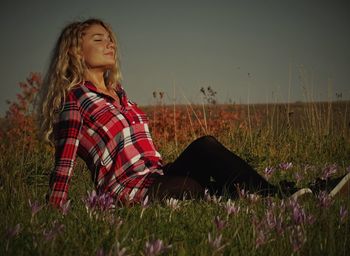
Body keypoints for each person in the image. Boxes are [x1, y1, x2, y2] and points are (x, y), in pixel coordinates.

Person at [37, 18, 349, 208]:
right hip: (130, 192)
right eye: (98, 39)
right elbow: (63, 165)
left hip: (158, 176)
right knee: (188, 189)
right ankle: (282, 196)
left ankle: (292, 193)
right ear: (75, 51)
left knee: (206, 146)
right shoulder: (74, 102)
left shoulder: (120, 95)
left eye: (111, 39)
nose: (110, 45)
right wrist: (54, 210)